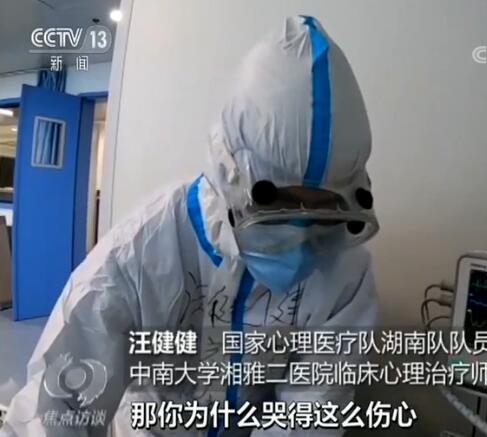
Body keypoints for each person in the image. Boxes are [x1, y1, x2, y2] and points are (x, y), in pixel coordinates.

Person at [0, 15, 379, 436]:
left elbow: (312, 410)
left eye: (322, 213)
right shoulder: (140, 252)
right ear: (231, 176)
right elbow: (60, 405)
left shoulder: (345, 272)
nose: (302, 238)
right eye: (282, 209)